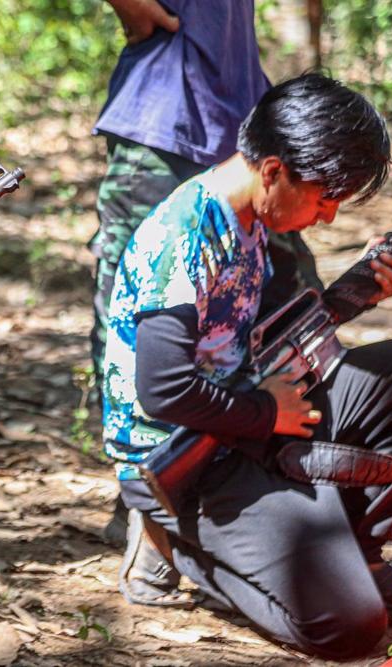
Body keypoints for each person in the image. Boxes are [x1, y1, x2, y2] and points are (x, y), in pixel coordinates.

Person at [102, 73, 392, 658]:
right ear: (273, 171)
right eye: (323, 200)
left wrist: (366, 285)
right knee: (350, 627)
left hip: (249, 410)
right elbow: (164, 389)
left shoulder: (256, 217)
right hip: (186, 457)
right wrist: (268, 412)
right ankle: (181, 546)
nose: (327, 218)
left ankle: (360, 553)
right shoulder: (185, 235)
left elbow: (279, 329)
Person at [92, 0, 324, 546]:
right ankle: (147, 497)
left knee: (292, 296)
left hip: (242, 113)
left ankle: (272, 463)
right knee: (148, 314)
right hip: (168, 113)